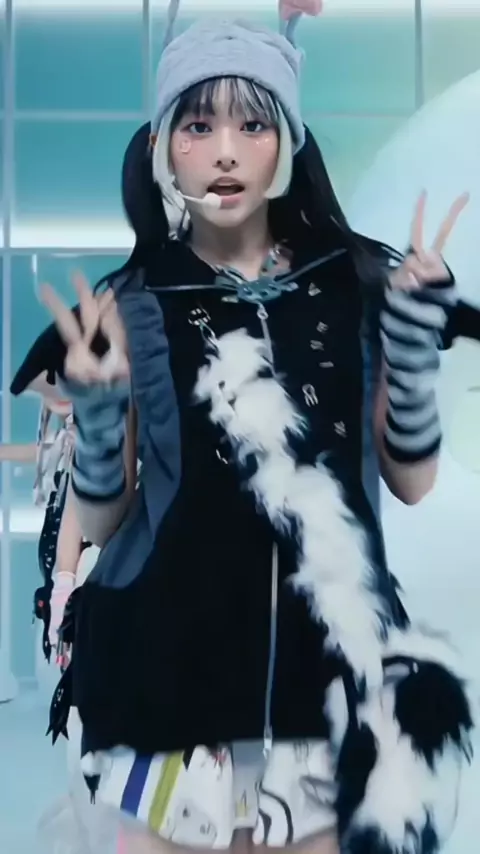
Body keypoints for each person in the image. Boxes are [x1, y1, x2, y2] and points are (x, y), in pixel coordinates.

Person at [11, 3, 475, 854]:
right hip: (169, 696)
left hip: (328, 687)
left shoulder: (358, 284)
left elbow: (410, 482)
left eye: (253, 124)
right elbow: (106, 520)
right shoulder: (134, 304)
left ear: (287, 144)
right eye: (198, 125)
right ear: (165, 148)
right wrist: (102, 418)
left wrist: (410, 348)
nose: (225, 150)